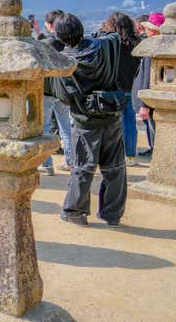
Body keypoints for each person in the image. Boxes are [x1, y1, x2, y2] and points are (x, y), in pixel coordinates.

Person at [50, 13, 127, 227]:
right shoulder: (107, 46)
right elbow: (112, 36)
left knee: (83, 167)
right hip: (111, 114)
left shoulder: (65, 62)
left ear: (59, 36)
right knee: (115, 167)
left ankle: (76, 211)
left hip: (85, 120)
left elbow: (64, 98)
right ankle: (113, 215)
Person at [97, 12, 141, 166]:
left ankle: (120, 154)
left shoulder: (111, 43)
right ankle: (131, 155)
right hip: (133, 86)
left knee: (119, 122)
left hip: (117, 88)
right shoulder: (137, 42)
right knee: (131, 122)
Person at [38, 9, 72, 175]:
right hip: (63, 91)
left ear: (50, 25)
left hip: (46, 91)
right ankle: (70, 161)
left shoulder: (46, 43)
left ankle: (47, 164)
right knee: (66, 127)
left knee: (44, 128)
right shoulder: (68, 42)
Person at [133, 12, 165, 158]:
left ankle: (157, 156)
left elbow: (147, 76)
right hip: (160, 96)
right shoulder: (164, 45)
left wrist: (144, 104)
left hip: (151, 98)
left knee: (155, 130)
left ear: (152, 30)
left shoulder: (152, 48)